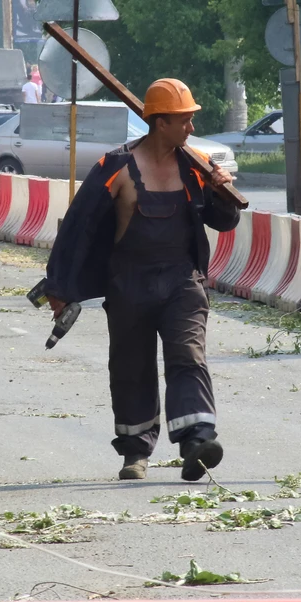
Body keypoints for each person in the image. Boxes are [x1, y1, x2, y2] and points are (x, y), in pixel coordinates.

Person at [42, 79, 240, 482]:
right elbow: (78, 229)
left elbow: (223, 221)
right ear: (159, 122)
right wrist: (58, 288)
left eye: (190, 120)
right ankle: (135, 452)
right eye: (183, 120)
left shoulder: (197, 166)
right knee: (131, 367)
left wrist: (223, 193)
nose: (190, 127)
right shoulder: (114, 167)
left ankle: (196, 441)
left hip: (182, 280)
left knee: (188, 355)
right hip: (128, 282)